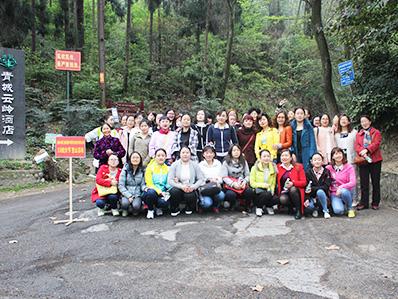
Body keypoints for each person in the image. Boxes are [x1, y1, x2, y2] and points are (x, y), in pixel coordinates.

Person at [355, 115, 383, 210]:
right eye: (362, 121)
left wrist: (367, 150)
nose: (364, 123)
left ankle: (375, 202)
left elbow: (376, 144)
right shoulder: (359, 134)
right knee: (364, 182)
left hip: (375, 160)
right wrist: (361, 151)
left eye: (365, 121)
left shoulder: (376, 132)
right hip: (363, 161)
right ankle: (364, 202)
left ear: (370, 122)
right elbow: (357, 145)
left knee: (375, 182)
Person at [168, 147, 205, 216]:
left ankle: (189, 207)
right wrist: (181, 186)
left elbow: (201, 179)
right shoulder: (175, 165)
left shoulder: (195, 165)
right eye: (183, 153)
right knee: (174, 191)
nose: (185, 154)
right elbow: (170, 180)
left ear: (190, 154)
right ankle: (175, 207)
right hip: (179, 186)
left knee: (190, 195)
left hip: (190, 187)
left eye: (187, 153)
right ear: (180, 154)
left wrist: (193, 187)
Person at [221, 145, 255, 211]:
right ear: (230, 152)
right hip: (231, 185)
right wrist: (233, 184)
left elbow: (248, 175)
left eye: (238, 150)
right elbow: (224, 177)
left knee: (249, 191)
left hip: (241, 184)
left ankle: (247, 206)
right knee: (230, 194)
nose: (236, 152)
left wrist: (244, 182)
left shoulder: (244, 161)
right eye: (234, 150)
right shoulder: (226, 163)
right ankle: (233, 205)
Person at [326, 147, 356, 217]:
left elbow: (353, 182)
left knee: (344, 191)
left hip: (346, 192)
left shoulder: (349, 167)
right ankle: (343, 206)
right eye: (336, 154)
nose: (338, 155)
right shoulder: (328, 168)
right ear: (332, 157)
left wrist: (341, 187)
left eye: (340, 153)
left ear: (343, 155)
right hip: (334, 194)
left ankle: (350, 208)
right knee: (338, 211)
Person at [276, 149, 306, 220]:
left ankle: (298, 211)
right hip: (284, 192)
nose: (284, 157)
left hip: (296, 191)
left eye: (286, 155)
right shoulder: (278, 167)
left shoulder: (298, 166)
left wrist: (293, 183)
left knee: (292, 189)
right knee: (282, 199)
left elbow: (304, 182)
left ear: (291, 158)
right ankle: (290, 208)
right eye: (282, 156)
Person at [143, 148, 171, 219]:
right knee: (151, 193)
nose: (161, 157)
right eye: (158, 155)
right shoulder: (150, 168)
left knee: (164, 203)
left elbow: (168, 183)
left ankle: (158, 207)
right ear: (155, 157)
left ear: (165, 157)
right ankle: (150, 210)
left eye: (163, 155)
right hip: (151, 191)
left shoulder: (168, 169)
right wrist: (159, 192)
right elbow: (149, 184)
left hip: (163, 192)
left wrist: (167, 190)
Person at [250, 149, 278, 217]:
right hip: (258, 191)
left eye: (268, 156)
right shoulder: (254, 168)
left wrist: (272, 191)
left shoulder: (273, 169)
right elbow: (252, 183)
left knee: (276, 198)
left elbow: (273, 183)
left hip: (268, 191)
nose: (266, 158)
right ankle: (259, 208)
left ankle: (268, 206)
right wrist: (263, 185)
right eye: (264, 156)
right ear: (260, 158)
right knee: (266, 194)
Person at [198, 145, 225, 213]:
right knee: (207, 204)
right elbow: (199, 179)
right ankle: (201, 205)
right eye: (207, 153)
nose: (209, 155)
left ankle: (215, 206)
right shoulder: (200, 165)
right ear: (203, 154)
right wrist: (208, 180)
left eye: (211, 153)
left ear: (214, 154)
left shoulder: (218, 163)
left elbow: (221, 177)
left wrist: (216, 180)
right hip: (205, 188)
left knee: (221, 195)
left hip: (215, 187)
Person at [118, 152, 146, 217]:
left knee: (136, 207)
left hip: (137, 193)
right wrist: (129, 196)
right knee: (125, 203)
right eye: (133, 157)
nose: (135, 159)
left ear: (140, 159)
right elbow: (121, 185)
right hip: (126, 192)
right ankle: (124, 208)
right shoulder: (125, 169)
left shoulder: (142, 170)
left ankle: (134, 209)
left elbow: (142, 184)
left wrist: (145, 188)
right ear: (130, 159)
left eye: (137, 158)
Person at [305, 152, 332, 219]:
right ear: (311, 161)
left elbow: (326, 187)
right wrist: (307, 199)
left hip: (323, 196)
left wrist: (314, 189)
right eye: (315, 160)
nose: (317, 161)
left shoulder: (326, 172)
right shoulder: (308, 172)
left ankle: (325, 211)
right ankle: (315, 209)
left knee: (320, 191)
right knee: (309, 207)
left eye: (319, 159)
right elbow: (307, 187)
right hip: (312, 196)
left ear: (322, 161)